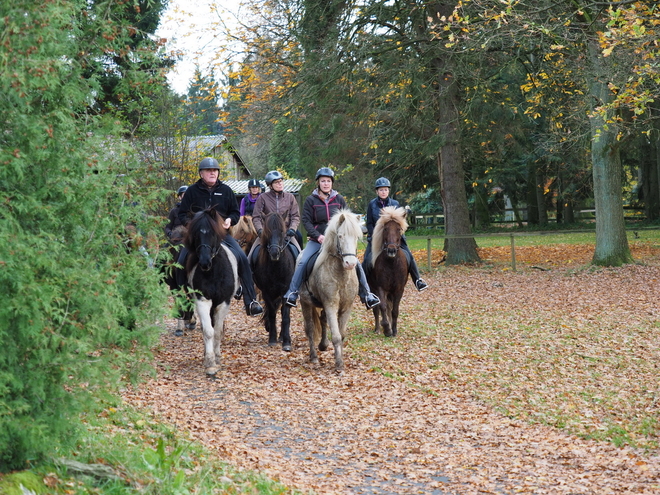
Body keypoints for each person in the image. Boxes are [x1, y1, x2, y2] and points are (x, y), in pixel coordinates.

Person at [283, 167, 380, 309]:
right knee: (303, 261)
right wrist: (318, 236)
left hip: (338, 242)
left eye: (328, 181)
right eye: (323, 181)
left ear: (332, 183)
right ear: (318, 183)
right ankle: (292, 292)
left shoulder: (339, 199)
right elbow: (306, 221)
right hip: (318, 240)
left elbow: (347, 219)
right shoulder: (311, 200)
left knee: (356, 263)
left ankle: (367, 294)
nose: (326, 184)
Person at [177, 157, 264, 317]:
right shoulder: (192, 191)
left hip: (221, 235)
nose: (212, 173)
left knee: (243, 259)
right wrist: (192, 225)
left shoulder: (226, 190)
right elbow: (181, 214)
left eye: (215, 170)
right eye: (209, 170)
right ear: (201, 173)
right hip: (199, 237)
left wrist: (230, 220)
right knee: (180, 261)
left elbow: (235, 213)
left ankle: (250, 301)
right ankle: (182, 303)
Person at [365, 177, 428, 292]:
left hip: (394, 238)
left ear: (388, 191)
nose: (383, 192)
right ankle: (364, 290)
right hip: (377, 238)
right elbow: (369, 223)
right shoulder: (372, 205)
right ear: (377, 191)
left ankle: (418, 280)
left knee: (409, 256)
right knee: (366, 260)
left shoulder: (395, 203)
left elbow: (401, 222)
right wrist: (374, 235)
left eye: (385, 190)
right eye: (381, 190)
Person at [249, 170, 302, 262]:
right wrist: (260, 230)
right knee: (250, 257)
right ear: (270, 185)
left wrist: (292, 229)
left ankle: (302, 275)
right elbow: (256, 217)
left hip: (286, 232)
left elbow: (295, 216)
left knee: (300, 257)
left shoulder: (290, 197)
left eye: (281, 181)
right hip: (268, 233)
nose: (280, 184)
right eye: (276, 182)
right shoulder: (262, 198)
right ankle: (249, 275)